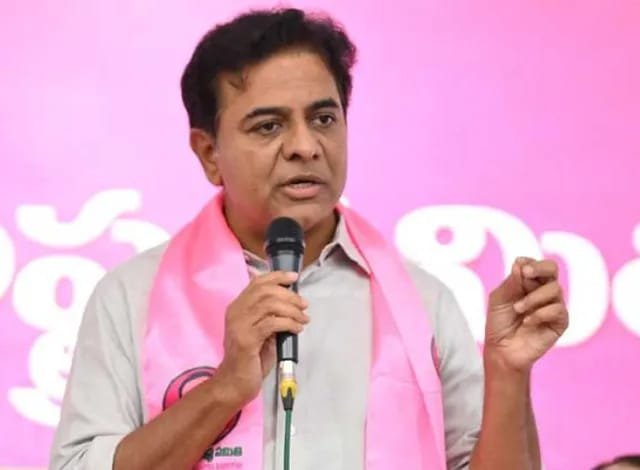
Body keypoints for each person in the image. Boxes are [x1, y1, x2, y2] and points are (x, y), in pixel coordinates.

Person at [49, 8, 569, 470]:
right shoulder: (130, 297)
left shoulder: (422, 302)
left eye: (323, 119)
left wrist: (507, 373)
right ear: (209, 154)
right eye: (268, 126)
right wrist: (223, 390)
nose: (305, 146)